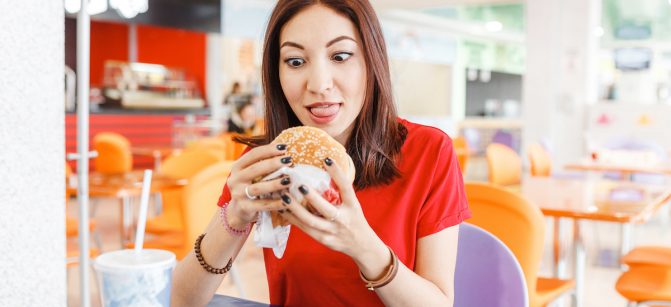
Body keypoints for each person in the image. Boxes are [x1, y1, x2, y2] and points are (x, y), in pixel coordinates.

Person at [172, 1, 470, 306]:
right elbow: (183, 298)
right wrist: (235, 214)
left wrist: (363, 245)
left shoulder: (429, 152)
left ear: (372, 60)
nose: (319, 84)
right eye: (296, 61)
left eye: (340, 56)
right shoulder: (271, 160)